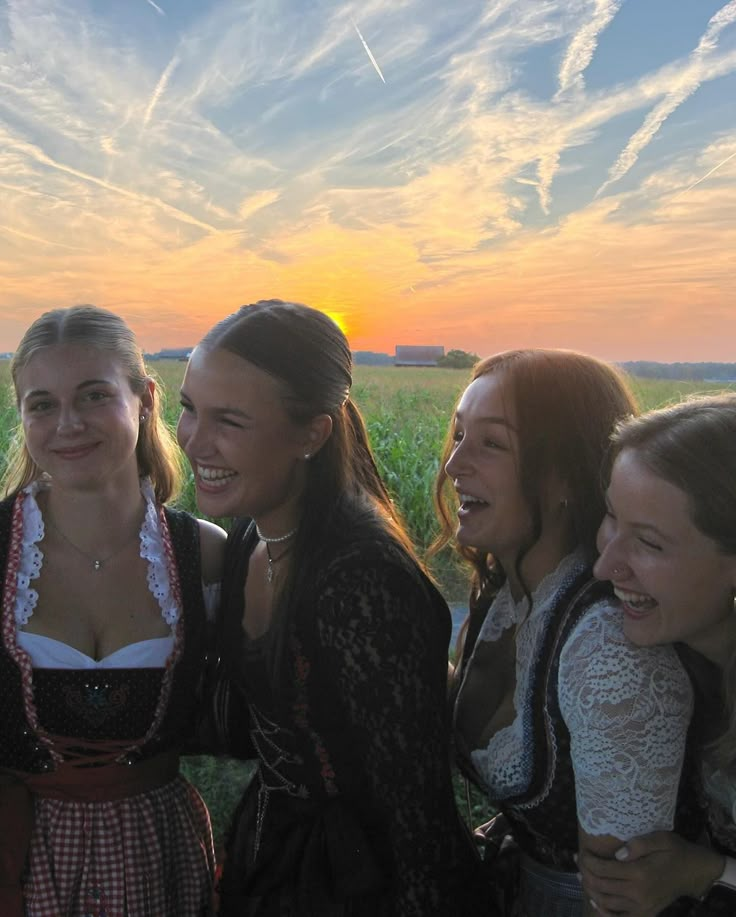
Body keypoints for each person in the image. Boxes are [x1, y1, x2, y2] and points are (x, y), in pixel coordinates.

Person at [176, 298, 487, 917]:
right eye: (188, 408)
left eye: (230, 421)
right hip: (275, 854)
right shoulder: (253, 535)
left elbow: (417, 815)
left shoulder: (362, 581)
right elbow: (258, 725)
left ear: (311, 433)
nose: (195, 440)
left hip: (359, 885)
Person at [435, 349, 703, 917]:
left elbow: (621, 898)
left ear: (561, 477)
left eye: (491, 443)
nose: (454, 464)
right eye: (458, 434)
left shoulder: (609, 650)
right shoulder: (505, 594)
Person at [0, 305, 225, 917]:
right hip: (18, 862)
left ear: (145, 397)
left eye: (94, 395)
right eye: (42, 404)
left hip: (159, 855)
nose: (68, 424)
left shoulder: (205, 554)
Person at [578, 393, 736, 916]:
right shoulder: (674, 659)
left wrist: (707, 872)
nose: (606, 566)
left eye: (648, 543)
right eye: (611, 518)